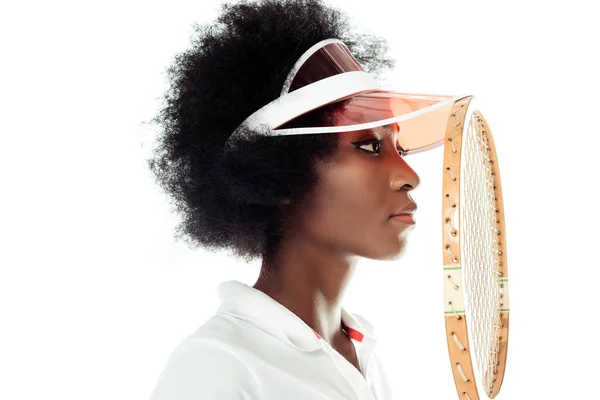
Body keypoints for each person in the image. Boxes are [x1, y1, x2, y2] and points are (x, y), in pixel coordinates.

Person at [147, 0, 456, 398]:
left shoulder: (363, 354)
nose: (410, 176)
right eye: (368, 146)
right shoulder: (216, 367)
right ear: (278, 176)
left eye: (402, 149)